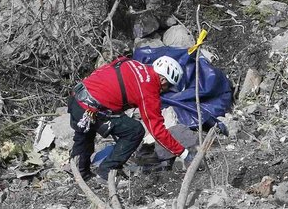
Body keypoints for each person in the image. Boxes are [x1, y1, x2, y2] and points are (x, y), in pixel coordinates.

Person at [69, 55, 195, 183]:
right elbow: (157, 131)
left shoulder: (133, 63)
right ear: (163, 80)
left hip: (77, 97)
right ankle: (106, 172)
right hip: (91, 109)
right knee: (135, 131)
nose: (165, 90)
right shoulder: (149, 89)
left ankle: (80, 175)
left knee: (85, 137)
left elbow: (106, 72)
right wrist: (184, 154)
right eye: (168, 86)